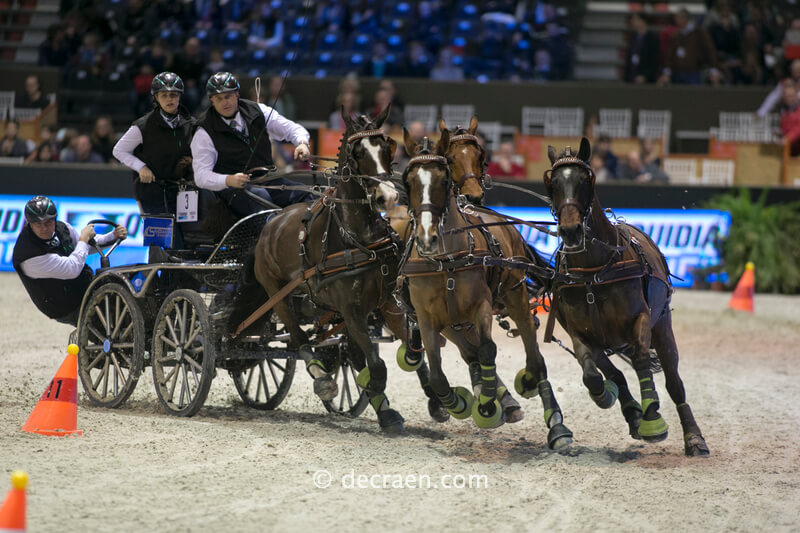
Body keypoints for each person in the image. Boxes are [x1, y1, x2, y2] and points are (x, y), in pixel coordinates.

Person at [190, 72, 311, 218]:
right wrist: (228, 179)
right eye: (219, 98)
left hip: (265, 180)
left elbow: (292, 128)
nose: (224, 102)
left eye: (228, 96)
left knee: (305, 193)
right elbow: (201, 176)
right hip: (231, 189)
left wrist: (302, 143)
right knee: (260, 196)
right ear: (212, 100)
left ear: (237, 94)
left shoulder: (258, 111)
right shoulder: (204, 130)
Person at [12, 196, 127, 326]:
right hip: (65, 306)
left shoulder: (62, 228)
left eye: (48, 222)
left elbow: (82, 248)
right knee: (112, 322)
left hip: (84, 286)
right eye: (38, 224)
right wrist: (84, 239)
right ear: (29, 223)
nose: (44, 228)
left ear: (54, 219)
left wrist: (113, 235)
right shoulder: (28, 255)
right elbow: (72, 269)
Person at [113, 72, 195, 216]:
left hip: (185, 192)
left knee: (189, 231)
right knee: (158, 231)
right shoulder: (143, 126)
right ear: (156, 97)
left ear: (180, 96)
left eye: (173, 95)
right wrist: (141, 167)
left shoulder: (192, 124)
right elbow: (119, 150)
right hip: (153, 192)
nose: (169, 99)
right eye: (164, 95)